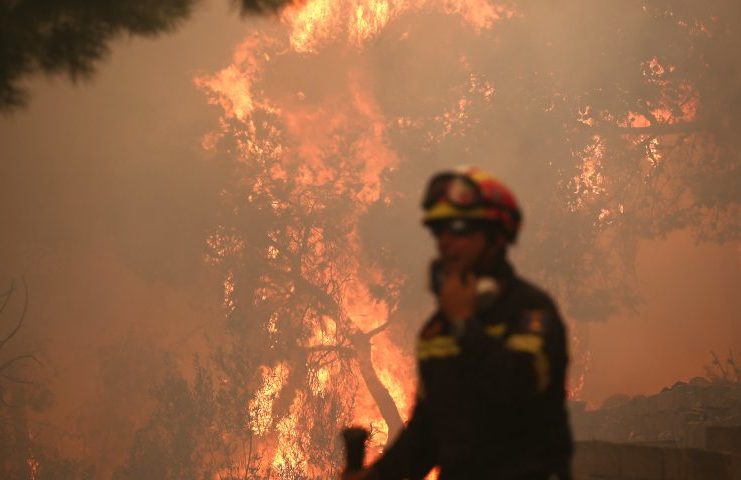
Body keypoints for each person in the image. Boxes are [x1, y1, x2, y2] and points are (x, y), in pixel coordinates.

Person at [344, 167, 573, 480]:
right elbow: (428, 432)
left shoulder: (530, 312)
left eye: (459, 229)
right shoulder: (438, 331)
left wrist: (465, 325)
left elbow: (515, 389)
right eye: (440, 231)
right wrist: (377, 476)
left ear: (495, 237)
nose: (446, 242)